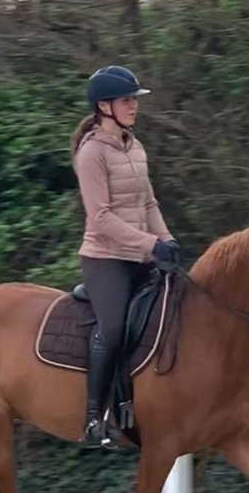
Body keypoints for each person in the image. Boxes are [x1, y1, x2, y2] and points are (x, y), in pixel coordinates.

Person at [69, 65, 181, 448]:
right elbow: (100, 218)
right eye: (127, 100)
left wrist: (166, 240)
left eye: (135, 99)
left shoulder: (135, 146)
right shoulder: (91, 154)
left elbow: (148, 201)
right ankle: (93, 418)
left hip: (141, 254)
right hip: (106, 258)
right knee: (114, 327)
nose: (134, 106)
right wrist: (151, 245)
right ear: (104, 106)